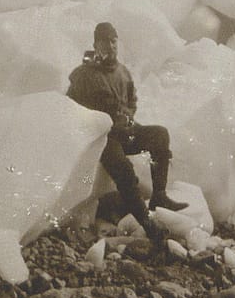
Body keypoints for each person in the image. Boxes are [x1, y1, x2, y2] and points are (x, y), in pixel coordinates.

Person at [67, 22, 186, 222]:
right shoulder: (82, 74)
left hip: (125, 131)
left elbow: (132, 100)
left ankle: (159, 196)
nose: (111, 46)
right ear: (96, 45)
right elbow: (71, 108)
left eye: (114, 41)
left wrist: (128, 117)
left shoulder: (122, 72)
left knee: (160, 135)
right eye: (105, 42)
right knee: (124, 171)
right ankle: (146, 222)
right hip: (103, 138)